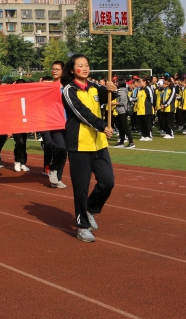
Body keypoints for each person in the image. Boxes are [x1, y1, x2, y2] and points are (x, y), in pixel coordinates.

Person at [61, 54, 115, 243]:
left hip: (99, 143)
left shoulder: (93, 87)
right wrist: (102, 125)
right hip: (79, 145)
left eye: (86, 65)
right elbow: (82, 113)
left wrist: (112, 90)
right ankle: (82, 227)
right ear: (72, 69)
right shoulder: (69, 90)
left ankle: (90, 209)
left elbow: (107, 98)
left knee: (107, 181)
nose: (84, 68)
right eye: (80, 65)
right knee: (81, 188)